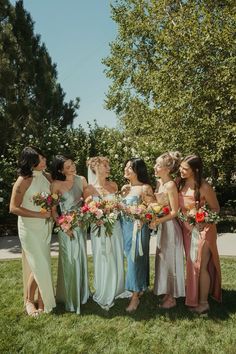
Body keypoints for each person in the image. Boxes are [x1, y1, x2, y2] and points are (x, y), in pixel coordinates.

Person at [9, 146, 56, 316]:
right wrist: (38, 214)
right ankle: (29, 301)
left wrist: (53, 208)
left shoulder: (47, 177)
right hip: (29, 229)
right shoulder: (23, 180)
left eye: (44, 158)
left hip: (45, 227)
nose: (45, 161)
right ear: (31, 161)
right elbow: (13, 208)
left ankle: (42, 299)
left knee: (43, 263)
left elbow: (55, 196)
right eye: (41, 159)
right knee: (38, 264)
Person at [178, 154, 222, 314]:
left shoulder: (204, 187)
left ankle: (203, 303)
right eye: (181, 167)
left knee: (200, 265)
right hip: (186, 229)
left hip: (203, 231)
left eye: (185, 168)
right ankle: (193, 296)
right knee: (191, 265)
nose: (181, 170)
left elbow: (216, 208)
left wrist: (202, 220)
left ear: (195, 170)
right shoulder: (180, 184)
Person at [84, 156, 126, 310]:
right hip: (99, 229)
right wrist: (97, 217)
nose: (108, 168)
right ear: (95, 168)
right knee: (103, 257)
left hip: (115, 228)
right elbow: (87, 210)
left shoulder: (114, 185)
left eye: (108, 165)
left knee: (116, 255)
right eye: (105, 165)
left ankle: (118, 287)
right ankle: (104, 290)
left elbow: (120, 205)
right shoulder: (89, 189)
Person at [51, 155, 89, 314]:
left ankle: (81, 294)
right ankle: (68, 296)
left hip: (80, 225)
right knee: (69, 261)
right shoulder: (56, 184)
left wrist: (84, 217)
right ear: (61, 170)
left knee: (80, 258)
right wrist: (64, 226)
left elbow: (88, 203)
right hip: (64, 227)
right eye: (67, 167)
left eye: (72, 164)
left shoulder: (82, 180)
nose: (72, 168)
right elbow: (53, 210)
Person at [151, 152, 185, 309]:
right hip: (163, 227)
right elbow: (160, 207)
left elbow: (174, 212)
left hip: (171, 229)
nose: (155, 167)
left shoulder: (171, 185)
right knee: (163, 260)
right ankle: (166, 293)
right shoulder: (160, 183)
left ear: (167, 169)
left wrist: (158, 220)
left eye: (158, 165)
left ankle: (172, 298)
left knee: (170, 261)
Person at [120, 158, 154, 312]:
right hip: (125, 229)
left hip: (138, 229)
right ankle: (139, 288)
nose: (126, 169)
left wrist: (142, 216)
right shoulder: (125, 188)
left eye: (130, 168)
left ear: (138, 170)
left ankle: (135, 298)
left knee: (136, 260)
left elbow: (153, 209)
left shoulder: (145, 188)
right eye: (126, 166)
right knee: (131, 259)